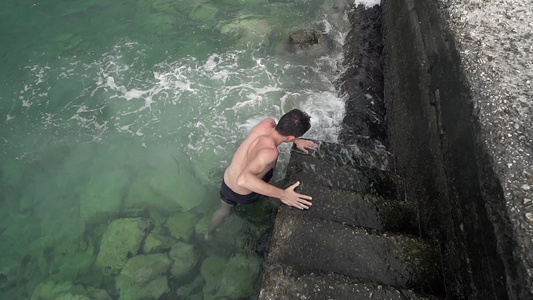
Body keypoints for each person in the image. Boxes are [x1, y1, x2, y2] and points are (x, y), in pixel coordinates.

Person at [208, 109, 317, 234]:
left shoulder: (267, 123)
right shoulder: (270, 152)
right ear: (291, 137)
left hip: (227, 183)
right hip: (244, 194)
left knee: (223, 211)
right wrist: (283, 194)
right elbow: (243, 180)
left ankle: (209, 232)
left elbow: (280, 133)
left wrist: (296, 140)